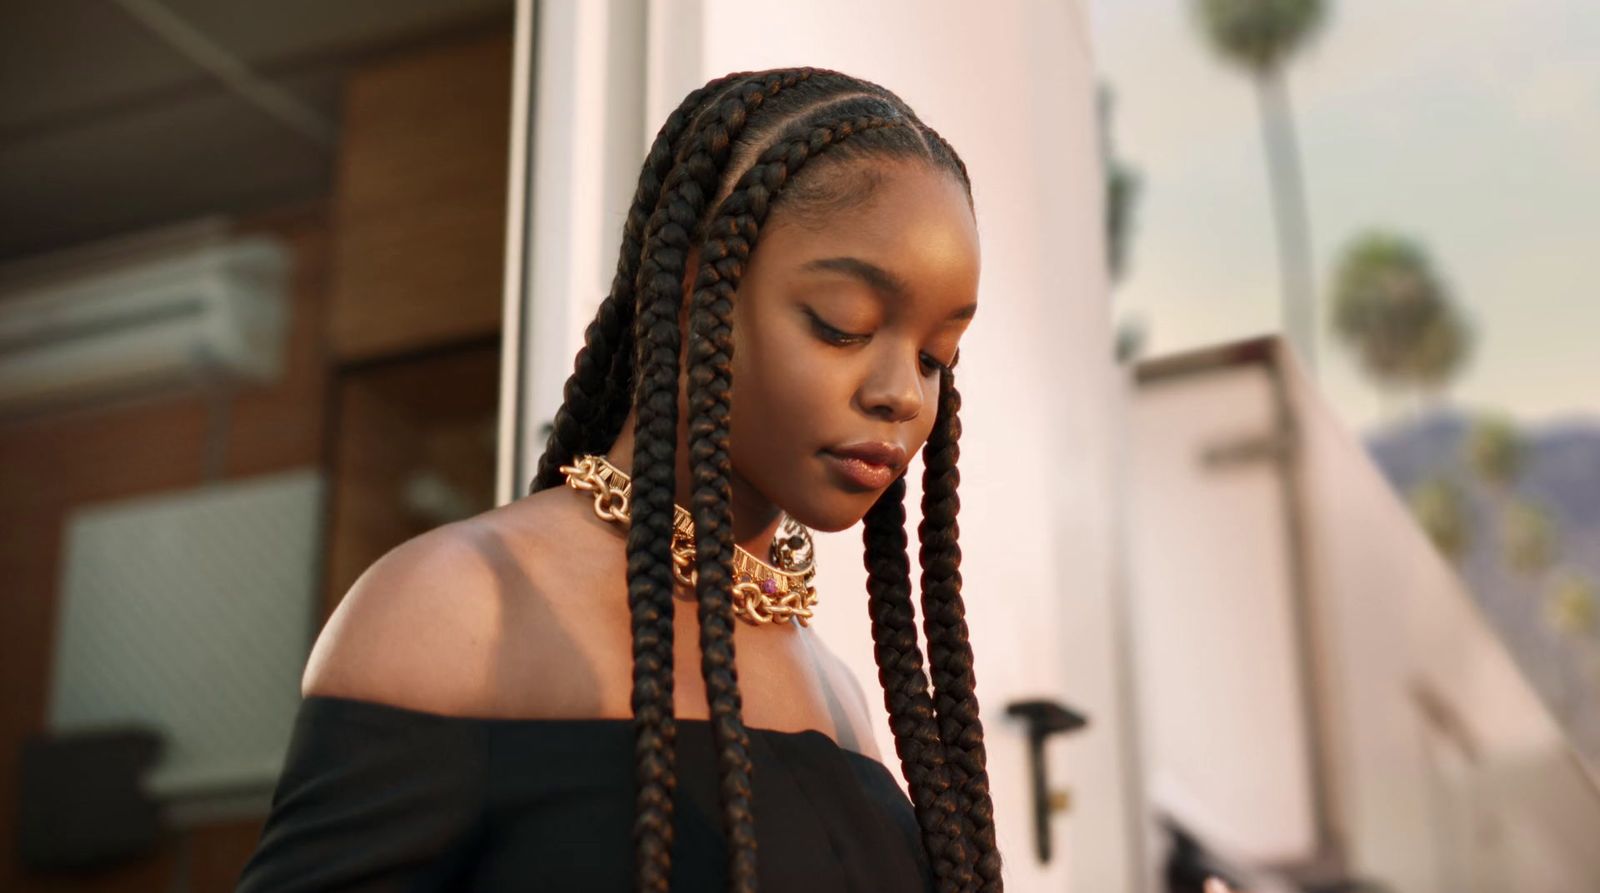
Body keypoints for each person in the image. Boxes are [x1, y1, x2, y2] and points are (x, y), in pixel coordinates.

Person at [236, 67, 1000, 892]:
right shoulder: (460, 610)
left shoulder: (842, 694)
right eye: (842, 325)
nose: (901, 394)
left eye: (935, 359)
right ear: (693, 291)